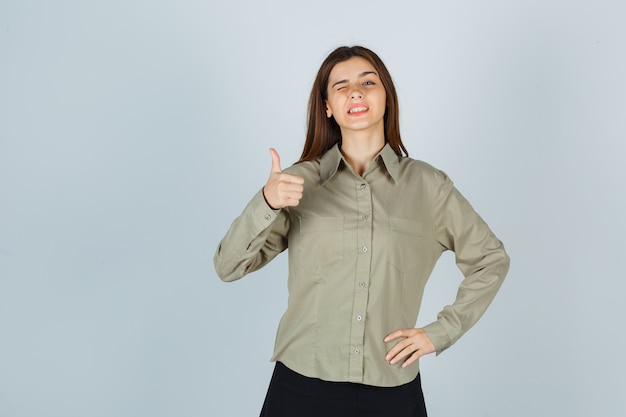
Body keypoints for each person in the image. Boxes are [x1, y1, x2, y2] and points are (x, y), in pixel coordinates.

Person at [214, 45, 510, 417]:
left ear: (386, 95)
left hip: (391, 392)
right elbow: (228, 266)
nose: (356, 91)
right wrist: (267, 202)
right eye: (341, 86)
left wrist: (439, 333)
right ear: (327, 107)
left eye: (368, 82)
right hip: (301, 387)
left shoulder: (428, 187)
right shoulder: (297, 183)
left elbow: (491, 260)